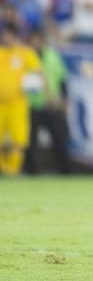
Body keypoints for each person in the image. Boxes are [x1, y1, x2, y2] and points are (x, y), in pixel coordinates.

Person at [25, 30, 71, 174]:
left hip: (53, 105)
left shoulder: (52, 55)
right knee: (31, 143)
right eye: (34, 39)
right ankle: (32, 174)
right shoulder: (24, 56)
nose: (36, 42)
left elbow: (62, 78)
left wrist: (64, 99)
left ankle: (66, 173)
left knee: (60, 141)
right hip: (33, 105)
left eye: (38, 39)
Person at [0, 22, 42, 175]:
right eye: (4, 35)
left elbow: (38, 72)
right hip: (0, 104)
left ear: (15, 36)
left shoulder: (24, 53)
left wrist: (34, 84)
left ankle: (13, 171)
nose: (6, 38)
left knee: (19, 140)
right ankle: (2, 169)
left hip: (18, 103)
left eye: (9, 35)